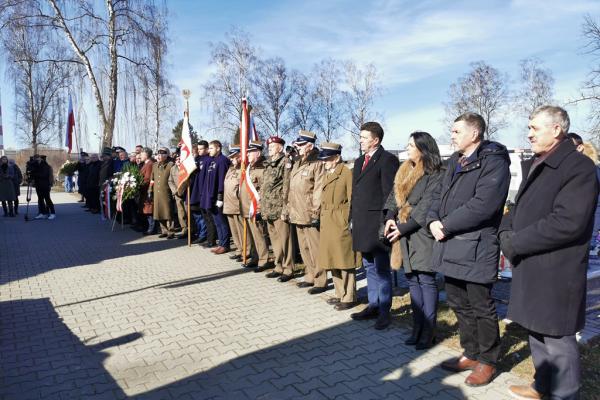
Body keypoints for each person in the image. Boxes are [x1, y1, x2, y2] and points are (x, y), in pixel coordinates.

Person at [499, 106, 598, 400]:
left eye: (534, 128)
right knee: (536, 329)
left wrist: (516, 243)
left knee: (557, 336)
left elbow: (567, 222)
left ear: (556, 130)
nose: (528, 134)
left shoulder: (578, 167)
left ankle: (565, 394)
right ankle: (542, 386)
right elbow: (518, 208)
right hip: (532, 264)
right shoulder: (539, 162)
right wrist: (506, 231)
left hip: (557, 269)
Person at [427, 112, 510, 386]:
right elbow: (437, 194)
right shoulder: (455, 161)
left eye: (456, 132)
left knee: (481, 306)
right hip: (450, 244)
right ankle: (471, 352)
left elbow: (483, 205)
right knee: (458, 303)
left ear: (474, 134)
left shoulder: (493, 163)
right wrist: (431, 220)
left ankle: (487, 361)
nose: (451, 136)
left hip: (476, 246)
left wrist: (445, 225)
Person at [383, 132, 443, 349]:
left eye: (411, 145)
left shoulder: (436, 172)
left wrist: (401, 228)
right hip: (403, 234)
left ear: (423, 148)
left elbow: (426, 205)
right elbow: (393, 197)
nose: (407, 149)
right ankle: (417, 327)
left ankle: (429, 330)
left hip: (422, 233)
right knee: (412, 280)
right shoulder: (404, 169)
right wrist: (390, 218)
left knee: (426, 279)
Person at [349, 122, 400, 330]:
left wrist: (388, 220)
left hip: (377, 224)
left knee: (381, 269)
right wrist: (352, 217)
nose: (360, 140)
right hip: (361, 222)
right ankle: (373, 305)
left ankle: (384, 311)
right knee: (368, 266)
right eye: (360, 137)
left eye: (363, 137)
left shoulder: (387, 160)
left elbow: (391, 194)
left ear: (375, 140)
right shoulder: (360, 160)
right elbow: (356, 193)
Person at [317, 143, 357, 309]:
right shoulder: (328, 173)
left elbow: (352, 199)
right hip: (327, 221)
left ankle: (350, 297)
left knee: (345, 260)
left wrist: (346, 221)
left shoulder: (346, 173)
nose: (324, 162)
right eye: (323, 159)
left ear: (337, 157)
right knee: (332, 259)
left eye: (327, 159)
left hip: (340, 222)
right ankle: (340, 294)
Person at [286, 130, 326, 293]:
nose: (298, 147)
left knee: (315, 247)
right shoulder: (298, 162)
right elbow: (291, 188)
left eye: (301, 145)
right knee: (304, 247)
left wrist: (315, 212)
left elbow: (318, 189)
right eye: (298, 144)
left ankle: (320, 280)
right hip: (297, 211)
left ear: (310, 145)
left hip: (309, 212)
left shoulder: (317, 162)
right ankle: (310, 275)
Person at [262, 136, 295, 282]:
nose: (269, 147)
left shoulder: (285, 162)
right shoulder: (268, 163)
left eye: (273, 145)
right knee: (275, 240)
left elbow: (287, 187)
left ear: (280, 148)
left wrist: (285, 209)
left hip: (279, 208)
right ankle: (278, 265)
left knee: (285, 240)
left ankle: (288, 269)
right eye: (268, 146)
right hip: (268, 208)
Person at [239, 140, 271, 270]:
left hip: (255, 207)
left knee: (259, 235)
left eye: (250, 153)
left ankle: (263, 260)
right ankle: (255, 256)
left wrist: (259, 208)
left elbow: (263, 190)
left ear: (257, 153)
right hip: (246, 207)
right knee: (251, 236)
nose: (247, 155)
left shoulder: (262, 168)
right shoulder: (248, 168)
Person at [202, 140, 231, 254]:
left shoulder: (222, 160)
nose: (209, 150)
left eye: (211, 148)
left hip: (218, 196)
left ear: (218, 148)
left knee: (221, 221)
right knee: (217, 221)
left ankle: (225, 244)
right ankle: (221, 243)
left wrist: (220, 196)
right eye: (209, 148)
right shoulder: (212, 161)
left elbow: (222, 179)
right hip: (210, 196)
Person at [223, 145, 248, 262]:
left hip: (237, 204)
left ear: (239, 157)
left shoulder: (242, 169)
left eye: (234, 157)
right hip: (229, 204)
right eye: (231, 157)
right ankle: (239, 249)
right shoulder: (231, 169)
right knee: (234, 230)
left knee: (241, 229)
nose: (232, 159)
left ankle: (246, 251)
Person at [190, 141, 214, 247]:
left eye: (201, 149)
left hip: (204, 192)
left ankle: (208, 238)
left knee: (207, 217)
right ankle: (202, 235)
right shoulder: (197, 159)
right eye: (198, 149)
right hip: (196, 190)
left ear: (207, 149)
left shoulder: (208, 160)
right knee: (200, 215)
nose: (199, 151)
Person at [150, 148, 174, 239]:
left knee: (168, 212)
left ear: (166, 156)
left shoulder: (170, 165)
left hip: (166, 191)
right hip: (157, 192)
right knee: (159, 211)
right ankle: (163, 230)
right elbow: (152, 179)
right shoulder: (154, 165)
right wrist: (150, 190)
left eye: (161, 155)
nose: (159, 157)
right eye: (158, 155)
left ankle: (170, 231)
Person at [30, 154, 56, 220]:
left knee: (47, 199)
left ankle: (53, 213)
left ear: (40, 158)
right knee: (40, 200)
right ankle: (43, 213)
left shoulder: (45, 165)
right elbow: (32, 174)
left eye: (38, 158)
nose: (37, 160)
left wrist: (35, 174)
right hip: (38, 185)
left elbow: (44, 175)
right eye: (35, 159)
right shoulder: (35, 165)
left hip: (45, 185)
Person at [138, 148, 155, 234]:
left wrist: (138, 185)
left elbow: (147, 178)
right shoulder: (146, 163)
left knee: (149, 209)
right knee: (146, 209)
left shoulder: (149, 164)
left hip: (147, 189)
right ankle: (147, 227)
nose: (140, 156)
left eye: (142, 154)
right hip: (144, 190)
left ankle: (151, 228)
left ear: (146, 155)